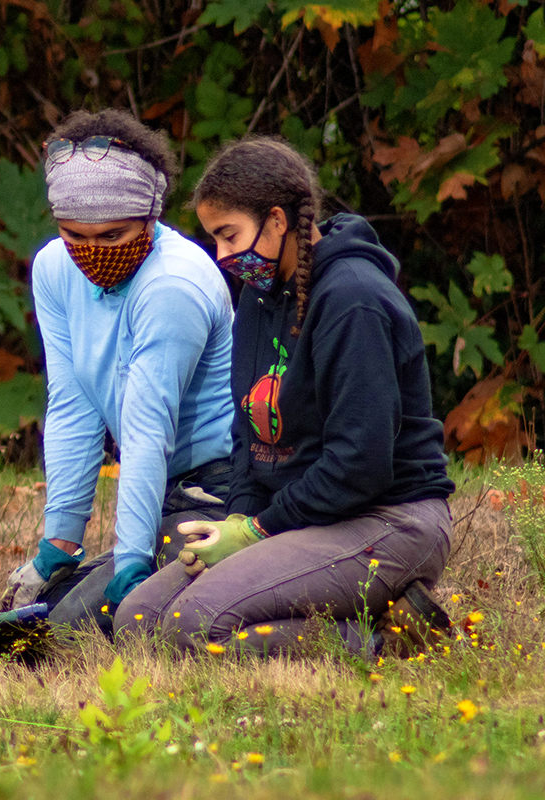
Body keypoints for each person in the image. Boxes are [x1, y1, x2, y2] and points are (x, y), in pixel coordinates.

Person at [114, 137, 455, 657]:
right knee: (137, 622)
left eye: (229, 236)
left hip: (389, 518)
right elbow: (246, 438)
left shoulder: (353, 299)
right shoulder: (258, 293)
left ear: (277, 221)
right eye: (214, 240)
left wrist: (256, 531)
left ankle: (389, 639)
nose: (222, 257)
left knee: (192, 627)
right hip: (304, 519)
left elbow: (360, 465)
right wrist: (238, 518)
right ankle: (354, 607)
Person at [0, 109, 236, 637]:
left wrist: (132, 561)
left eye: (111, 236)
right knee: (44, 622)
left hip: (218, 490)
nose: (92, 253)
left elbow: (148, 430)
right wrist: (58, 543)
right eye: (74, 235)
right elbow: (72, 404)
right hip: (163, 492)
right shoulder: (54, 268)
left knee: (104, 626)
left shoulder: (173, 284)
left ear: (150, 217)